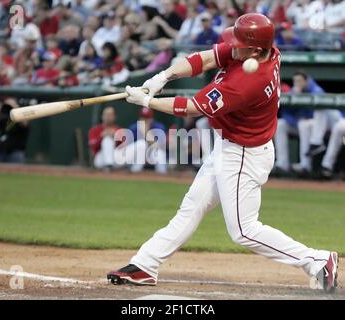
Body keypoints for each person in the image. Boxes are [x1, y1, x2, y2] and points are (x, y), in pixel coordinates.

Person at [108, 13, 338, 293]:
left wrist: (147, 101)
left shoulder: (246, 83)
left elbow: (192, 106)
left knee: (244, 231)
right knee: (192, 206)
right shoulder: (264, 49)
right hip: (229, 146)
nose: (233, 47)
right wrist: (162, 76)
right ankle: (146, 264)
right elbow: (204, 59)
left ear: (254, 49)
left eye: (239, 44)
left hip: (243, 155)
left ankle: (317, 260)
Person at [127, 107, 167, 174]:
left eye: (147, 118)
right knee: (141, 144)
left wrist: (146, 133)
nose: (144, 120)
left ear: (152, 118)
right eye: (143, 117)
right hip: (136, 157)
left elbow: (161, 147)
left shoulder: (159, 127)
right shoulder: (134, 127)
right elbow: (128, 148)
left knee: (160, 153)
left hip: (151, 154)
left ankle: (162, 176)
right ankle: (134, 173)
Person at [0, 99, 29, 163]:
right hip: (2, 152)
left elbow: (25, 124)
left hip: (16, 153)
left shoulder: (20, 120)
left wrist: (14, 107)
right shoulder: (4, 119)